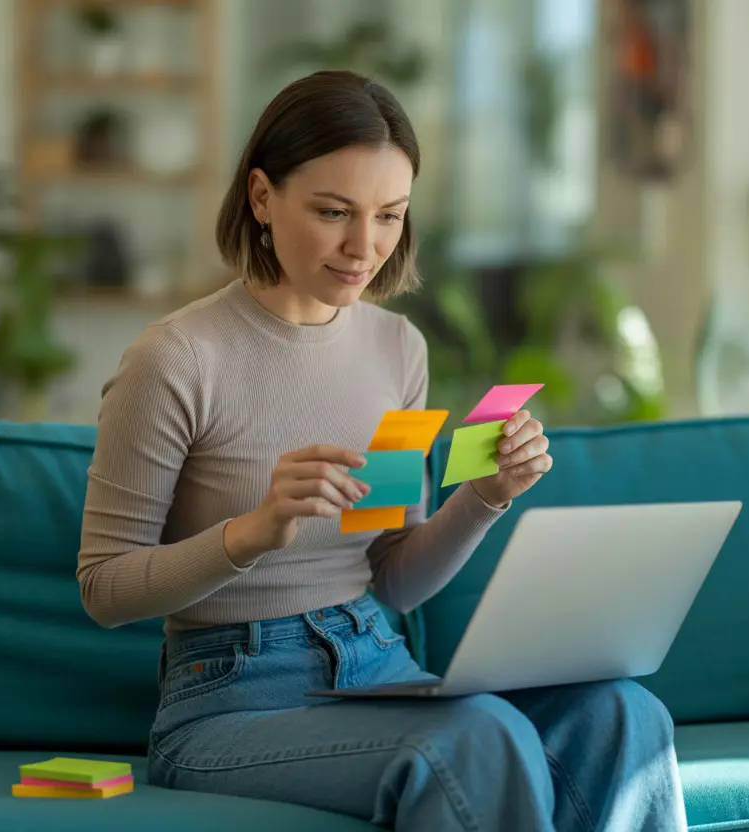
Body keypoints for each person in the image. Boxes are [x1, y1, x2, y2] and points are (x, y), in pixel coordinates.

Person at [77, 69, 688, 832]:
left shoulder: (397, 347)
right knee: (472, 741)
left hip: (373, 661)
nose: (364, 247)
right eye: (334, 212)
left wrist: (485, 496)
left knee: (621, 715)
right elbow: (103, 588)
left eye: (390, 216)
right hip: (228, 698)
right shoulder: (174, 359)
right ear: (263, 198)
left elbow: (394, 578)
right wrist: (252, 532)